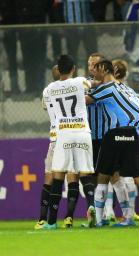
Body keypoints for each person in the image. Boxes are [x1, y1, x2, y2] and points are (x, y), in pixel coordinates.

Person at [87, 59, 139, 227]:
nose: (93, 72)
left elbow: (85, 100)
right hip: (131, 133)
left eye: (96, 69)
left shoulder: (105, 88)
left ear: (103, 69)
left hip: (114, 134)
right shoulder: (124, 87)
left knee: (103, 176)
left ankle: (100, 219)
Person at [41, 55, 95, 229]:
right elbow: (94, 87)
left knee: (58, 177)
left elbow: (45, 106)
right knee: (84, 174)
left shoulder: (49, 89)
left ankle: (51, 222)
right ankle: (91, 207)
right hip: (82, 131)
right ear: (73, 69)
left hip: (63, 134)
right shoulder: (80, 82)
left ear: (58, 70)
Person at [34, 66, 60, 229]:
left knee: (49, 177)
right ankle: (68, 218)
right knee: (73, 178)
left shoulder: (47, 91)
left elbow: (45, 107)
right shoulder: (75, 87)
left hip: (55, 137)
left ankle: (43, 219)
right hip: (74, 134)